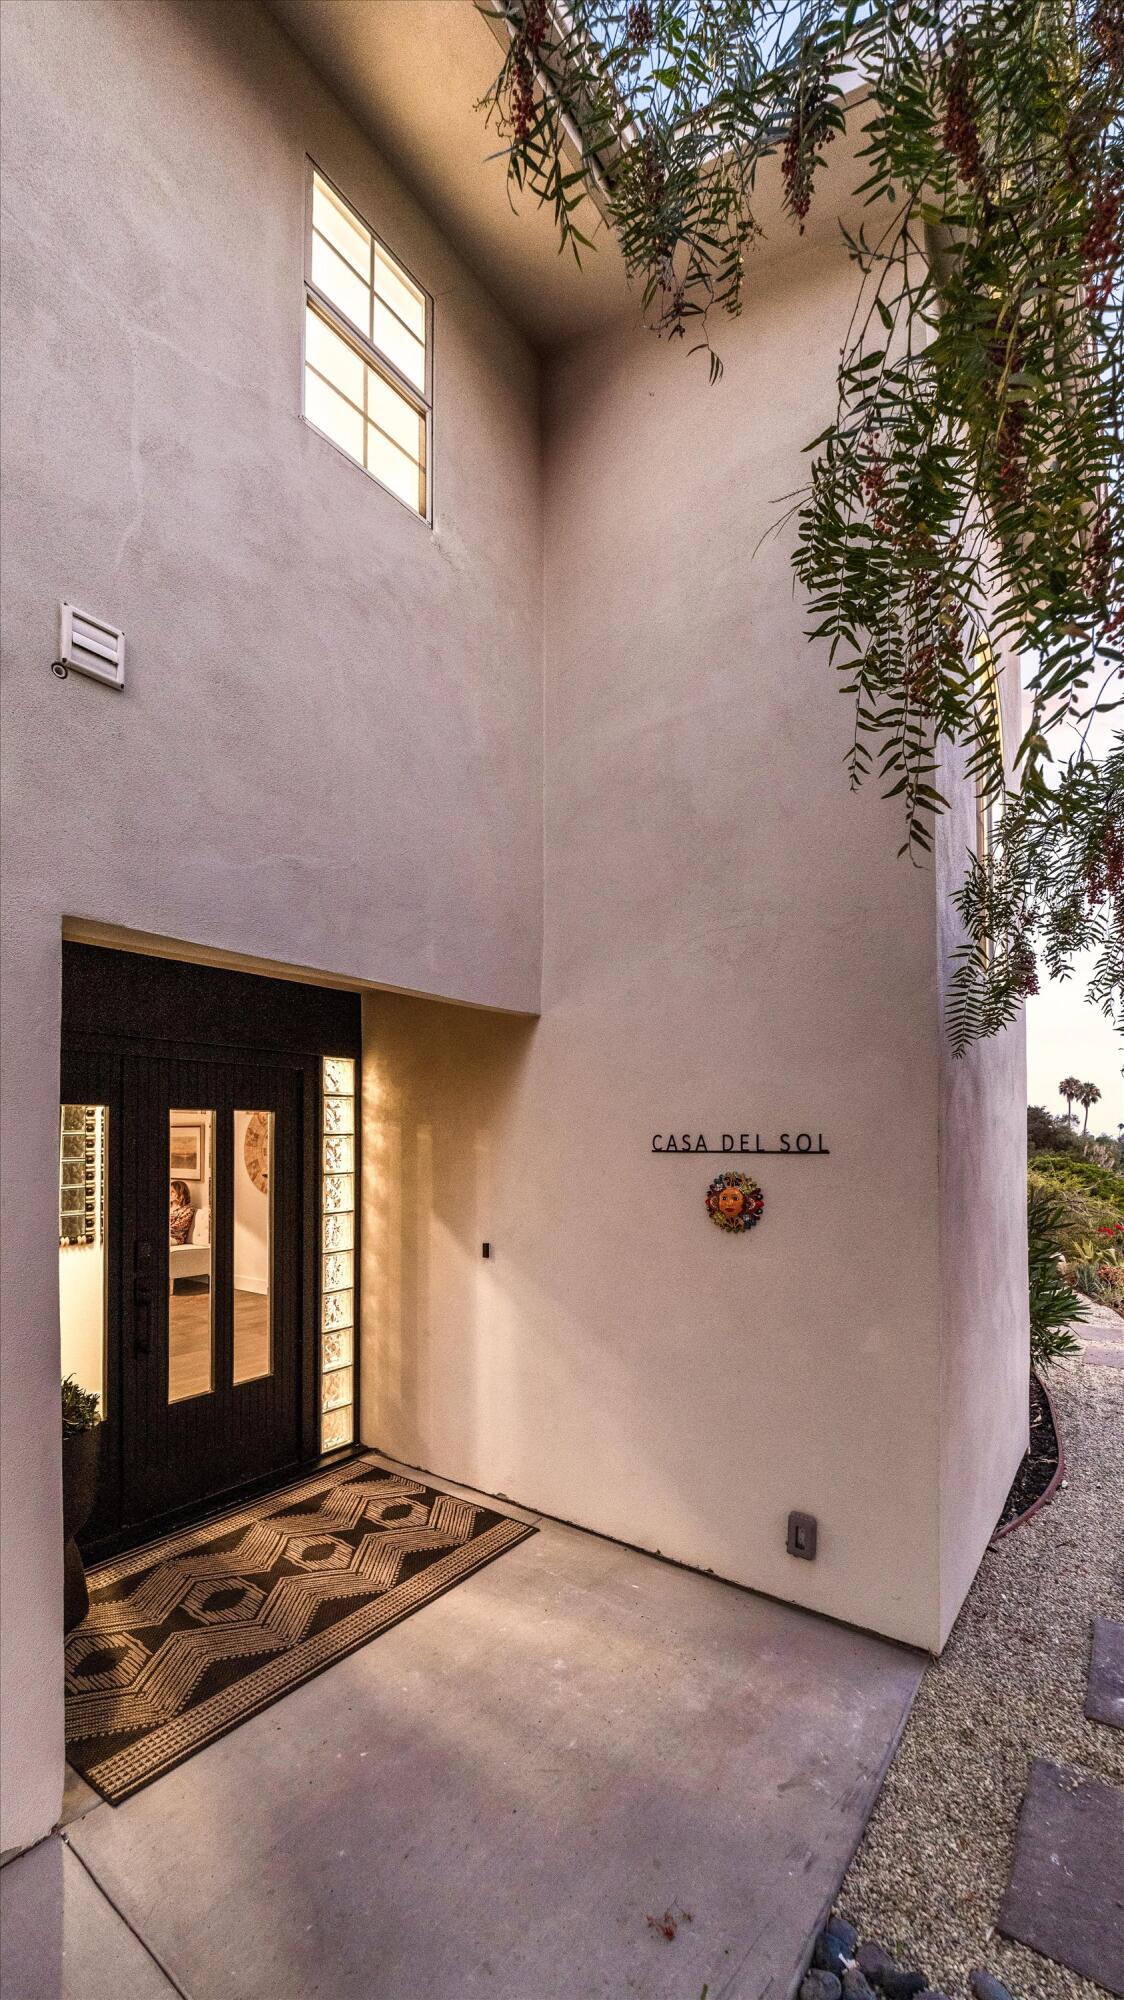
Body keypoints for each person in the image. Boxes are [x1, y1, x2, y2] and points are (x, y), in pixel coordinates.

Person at [169, 1179, 193, 1245]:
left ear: (181, 1193)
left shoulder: (187, 1210)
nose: (169, 1194)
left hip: (175, 1238)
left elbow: (177, 1228)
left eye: (173, 1192)